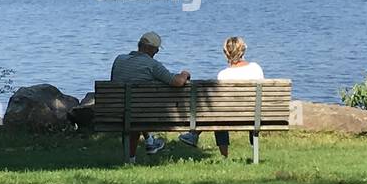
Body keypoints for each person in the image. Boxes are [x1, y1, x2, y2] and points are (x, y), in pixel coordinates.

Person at [110, 31, 190, 162]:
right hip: (142, 113)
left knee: (133, 108)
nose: (157, 52)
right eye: (156, 49)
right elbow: (177, 82)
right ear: (150, 49)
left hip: (116, 111)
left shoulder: (119, 59)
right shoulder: (152, 65)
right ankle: (142, 149)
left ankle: (149, 142)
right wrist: (185, 73)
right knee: (138, 111)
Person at [178, 36, 265, 157]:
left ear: (226, 53)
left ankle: (223, 155)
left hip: (228, 116)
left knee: (218, 115)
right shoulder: (256, 68)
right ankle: (255, 153)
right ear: (243, 50)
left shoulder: (223, 75)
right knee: (232, 111)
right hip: (254, 115)